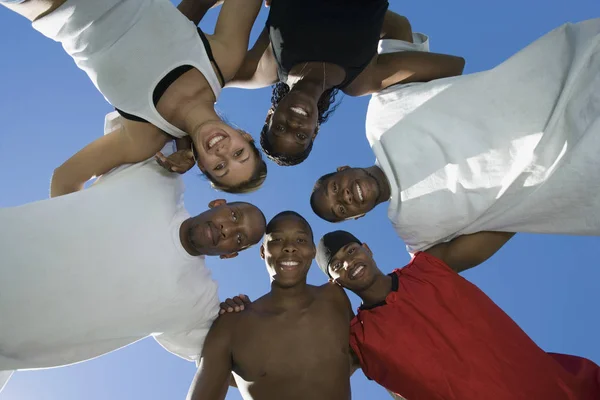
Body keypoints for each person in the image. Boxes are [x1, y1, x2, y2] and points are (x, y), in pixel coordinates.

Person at [310, 18, 600, 253]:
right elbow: (448, 264)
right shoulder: (416, 232)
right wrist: (528, 202)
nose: (345, 196)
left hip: (570, 72)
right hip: (582, 168)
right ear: (356, 217)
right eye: (341, 208)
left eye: (336, 188)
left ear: (343, 169)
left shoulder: (380, 115)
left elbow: (446, 62)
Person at [0, 138, 267, 393]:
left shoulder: (196, 301)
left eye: (239, 238)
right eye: (234, 215)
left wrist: (234, 323)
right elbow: (149, 115)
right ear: (217, 203)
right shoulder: (158, 178)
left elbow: (232, 370)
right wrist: (186, 144)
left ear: (231, 254)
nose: (227, 229)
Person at [1, 0, 267, 193]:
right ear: (245, 135)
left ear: (202, 166)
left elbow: (64, 180)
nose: (223, 153)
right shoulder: (224, 59)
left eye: (220, 167)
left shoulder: (143, 139)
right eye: (239, 153)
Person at [314, 230, 600, 400]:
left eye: (351, 250)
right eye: (336, 265)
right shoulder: (359, 342)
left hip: (560, 390)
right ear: (334, 282)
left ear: (367, 249)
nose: (349, 262)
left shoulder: (428, 268)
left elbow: (508, 221)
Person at [227, 4, 465, 166]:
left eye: (279, 128)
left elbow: (202, 77)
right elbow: (451, 65)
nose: (294, 123)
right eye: (301, 135)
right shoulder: (363, 80)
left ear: (270, 115)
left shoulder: (263, 67)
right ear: (315, 131)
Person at [186, 211, 362, 400]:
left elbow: (376, 358)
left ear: (312, 251)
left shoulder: (334, 297)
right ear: (263, 251)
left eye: (301, 240)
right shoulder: (232, 324)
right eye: (277, 240)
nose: (289, 248)